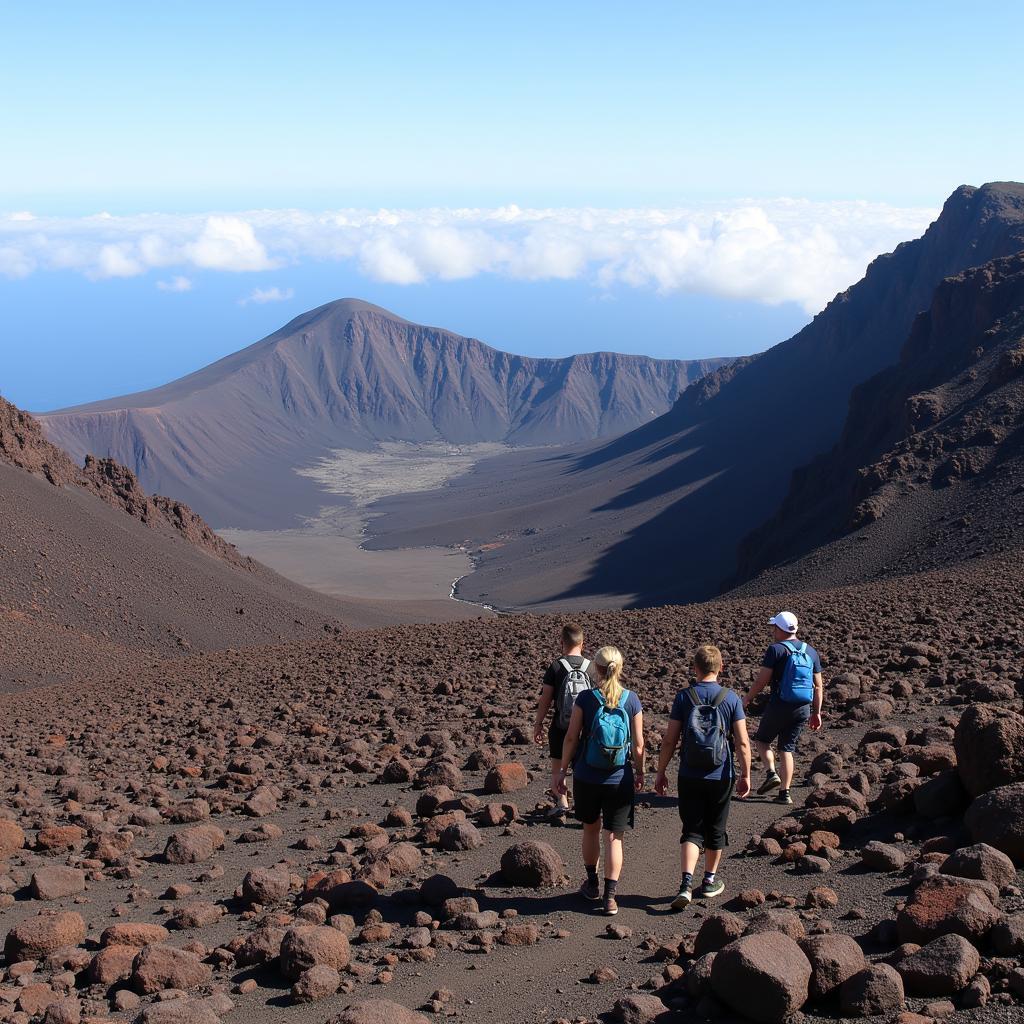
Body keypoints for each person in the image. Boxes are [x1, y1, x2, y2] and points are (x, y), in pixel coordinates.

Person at [655, 644, 751, 908]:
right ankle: (709, 881)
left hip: (689, 774)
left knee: (692, 830)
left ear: (695, 668)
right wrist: (746, 774)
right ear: (720, 668)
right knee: (715, 827)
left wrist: (661, 772)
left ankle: (685, 884)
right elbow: (742, 743)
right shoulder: (731, 698)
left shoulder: (684, 698)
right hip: (720, 774)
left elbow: (669, 740)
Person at [556, 645, 644, 916]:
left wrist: (561, 771)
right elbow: (639, 745)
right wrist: (640, 772)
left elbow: (571, 738)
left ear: (596, 669)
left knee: (591, 830)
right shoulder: (631, 700)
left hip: (587, 776)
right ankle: (610, 897)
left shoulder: (585, 699)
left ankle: (592, 883)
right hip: (619, 777)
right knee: (614, 838)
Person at [743, 611, 824, 805]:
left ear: (780, 629)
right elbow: (819, 685)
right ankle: (784, 794)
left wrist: (746, 698)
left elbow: (762, 681)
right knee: (786, 749)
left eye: (774, 628)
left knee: (762, 740)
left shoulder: (776, 650)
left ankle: (771, 773)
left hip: (780, 705)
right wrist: (817, 713)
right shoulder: (811, 651)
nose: (772, 631)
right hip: (803, 707)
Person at [533, 623, 597, 816]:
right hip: (585, 729)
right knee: (583, 767)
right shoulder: (592, 668)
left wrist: (538, 723)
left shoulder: (556, 667)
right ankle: (583, 803)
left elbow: (546, 699)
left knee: (558, 767)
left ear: (561, 642)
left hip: (561, 726)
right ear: (582, 643)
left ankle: (562, 802)